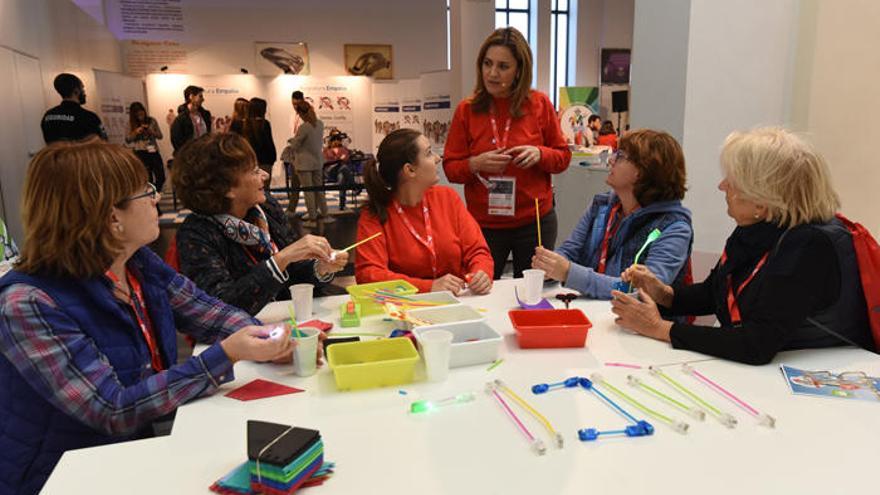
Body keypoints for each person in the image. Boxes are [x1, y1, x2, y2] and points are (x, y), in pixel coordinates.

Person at [0, 140, 295, 495]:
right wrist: (227, 354)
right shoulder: (28, 303)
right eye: (147, 192)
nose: (156, 199)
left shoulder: (136, 263)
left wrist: (272, 339)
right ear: (112, 216)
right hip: (58, 478)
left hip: (126, 459)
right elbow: (112, 408)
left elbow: (207, 312)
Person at [612, 127, 873, 365]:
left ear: (761, 201)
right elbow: (715, 294)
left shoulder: (809, 246)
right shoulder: (757, 228)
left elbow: (757, 344)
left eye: (732, 180)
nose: (721, 185)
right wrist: (664, 294)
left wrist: (660, 328)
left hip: (817, 380)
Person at [444, 27, 571, 280]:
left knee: (533, 296)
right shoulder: (467, 110)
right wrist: (474, 164)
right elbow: (451, 169)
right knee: (480, 291)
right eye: (488, 64)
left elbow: (562, 157)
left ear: (519, 70)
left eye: (503, 66)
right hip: (484, 224)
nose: (492, 73)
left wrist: (540, 153)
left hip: (534, 221)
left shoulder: (539, 104)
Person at [172, 133, 347, 316]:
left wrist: (320, 267)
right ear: (226, 188)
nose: (265, 175)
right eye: (254, 171)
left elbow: (294, 273)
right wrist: (280, 260)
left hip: (285, 323)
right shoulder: (197, 233)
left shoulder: (265, 208)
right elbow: (219, 308)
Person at [532, 129, 693, 299]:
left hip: (636, 324)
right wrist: (550, 265)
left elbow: (643, 292)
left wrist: (568, 272)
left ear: (643, 170)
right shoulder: (602, 205)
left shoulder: (674, 228)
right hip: (592, 313)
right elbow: (571, 250)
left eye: (620, 156)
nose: (610, 160)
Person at [356, 129, 494, 295]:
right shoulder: (375, 213)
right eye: (429, 153)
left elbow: (478, 251)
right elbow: (369, 275)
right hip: (402, 309)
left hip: (457, 301)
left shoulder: (447, 198)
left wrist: (481, 272)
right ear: (410, 170)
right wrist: (428, 287)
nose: (437, 158)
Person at [287, 101, 328, 222]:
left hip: (304, 164)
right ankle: (325, 214)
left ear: (300, 113)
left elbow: (295, 144)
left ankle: (312, 217)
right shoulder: (320, 124)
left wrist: (291, 141)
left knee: (308, 190)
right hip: (317, 162)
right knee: (319, 189)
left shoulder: (304, 127)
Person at [40, 73, 107, 144]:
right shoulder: (89, 117)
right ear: (76, 91)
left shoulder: (48, 116)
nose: (84, 93)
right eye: (83, 88)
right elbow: (103, 143)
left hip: (55, 155)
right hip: (80, 155)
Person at [124, 102, 165, 193]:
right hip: (140, 152)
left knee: (161, 176)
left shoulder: (152, 121)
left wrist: (151, 132)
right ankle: (153, 201)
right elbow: (127, 139)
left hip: (153, 151)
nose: (140, 115)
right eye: (138, 114)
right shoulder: (131, 124)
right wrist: (136, 132)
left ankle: (155, 194)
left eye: (142, 113)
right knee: (148, 179)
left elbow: (160, 136)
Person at [242, 97, 277, 190]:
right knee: (264, 190)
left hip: (250, 161)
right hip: (265, 161)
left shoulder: (245, 124)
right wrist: (273, 158)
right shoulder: (264, 124)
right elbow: (269, 144)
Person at [170, 85, 212, 155]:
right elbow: (176, 140)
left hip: (204, 154)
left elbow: (209, 134)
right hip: (188, 157)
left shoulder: (206, 115)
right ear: (191, 97)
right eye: (200, 96)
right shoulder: (181, 119)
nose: (203, 99)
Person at [322, 129, 356, 210]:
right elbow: (325, 161)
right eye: (334, 140)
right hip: (329, 172)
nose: (336, 141)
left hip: (339, 172)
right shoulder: (326, 150)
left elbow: (346, 158)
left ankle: (342, 204)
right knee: (343, 167)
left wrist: (337, 159)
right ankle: (354, 186)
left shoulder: (344, 149)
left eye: (338, 140)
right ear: (330, 141)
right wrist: (338, 159)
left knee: (342, 178)